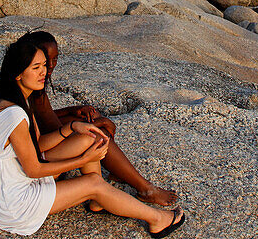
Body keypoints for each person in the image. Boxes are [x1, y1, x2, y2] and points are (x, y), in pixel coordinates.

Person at [0, 37, 185, 238]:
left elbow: (38, 144)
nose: (44, 72)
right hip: (13, 204)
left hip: (14, 185)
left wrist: (71, 127)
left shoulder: (15, 101)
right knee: (93, 183)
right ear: (17, 74)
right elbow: (34, 169)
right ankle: (157, 219)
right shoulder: (14, 114)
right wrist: (81, 161)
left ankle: (100, 201)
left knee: (91, 138)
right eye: (36, 67)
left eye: (43, 65)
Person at [24, 31, 177, 206]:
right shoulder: (33, 88)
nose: (51, 65)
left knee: (91, 118)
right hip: (40, 155)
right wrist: (95, 123)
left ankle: (116, 171)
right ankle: (145, 189)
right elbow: (52, 128)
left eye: (55, 59)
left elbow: (43, 115)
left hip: (42, 142)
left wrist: (73, 110)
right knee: (97, 133)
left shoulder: (32, 82)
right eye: (46, 60)